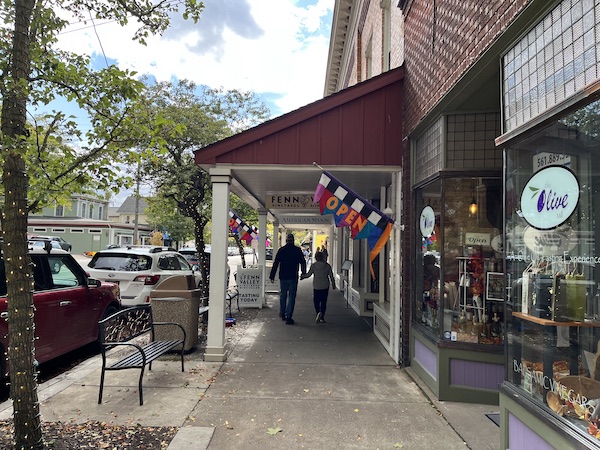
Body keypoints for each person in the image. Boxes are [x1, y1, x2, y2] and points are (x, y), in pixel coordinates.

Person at [269, 233, 306, 324]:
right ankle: (289, 316)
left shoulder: (281, 250)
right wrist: (303, 273)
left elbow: (276, 263)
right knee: (291, 297)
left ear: (286, 241)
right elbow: (303, 262)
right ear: (293, 241)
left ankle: (282, 312)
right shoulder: (297, 250)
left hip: (283, 276)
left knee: (283, 295)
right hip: (293, 276)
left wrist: (272, 275)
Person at [301, 251, 336, 323]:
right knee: (323, 301)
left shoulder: (314, 265)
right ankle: (322, 317)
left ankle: (318, 312)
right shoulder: (327, 266)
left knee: (316, 301)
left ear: (316, 257)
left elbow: (309, 275)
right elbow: (331, 276)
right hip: (325, 285)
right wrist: (333, 284)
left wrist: (303, 276)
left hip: (317, 285)